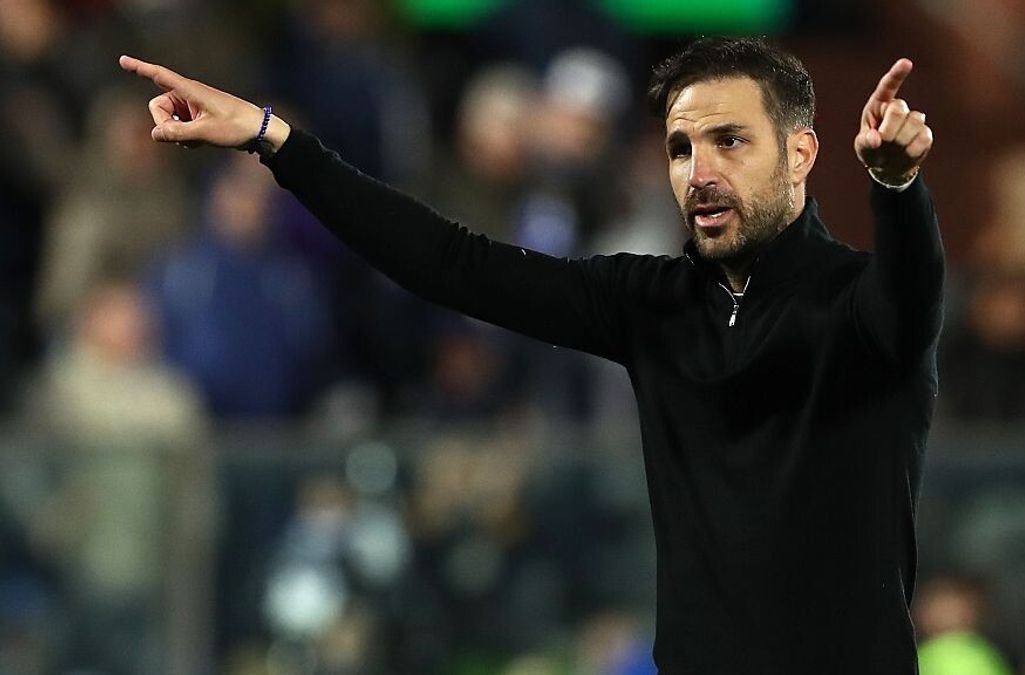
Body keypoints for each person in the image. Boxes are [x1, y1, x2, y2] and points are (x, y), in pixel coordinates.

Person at [120, 36, 942, 673]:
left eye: (730, 141)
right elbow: (451, 263)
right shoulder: (650, 302)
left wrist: (898, 189)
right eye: (680, 148)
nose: (699, 172)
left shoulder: (860, 305)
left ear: (800, 154)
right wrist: (274, 139)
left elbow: (909, 299)